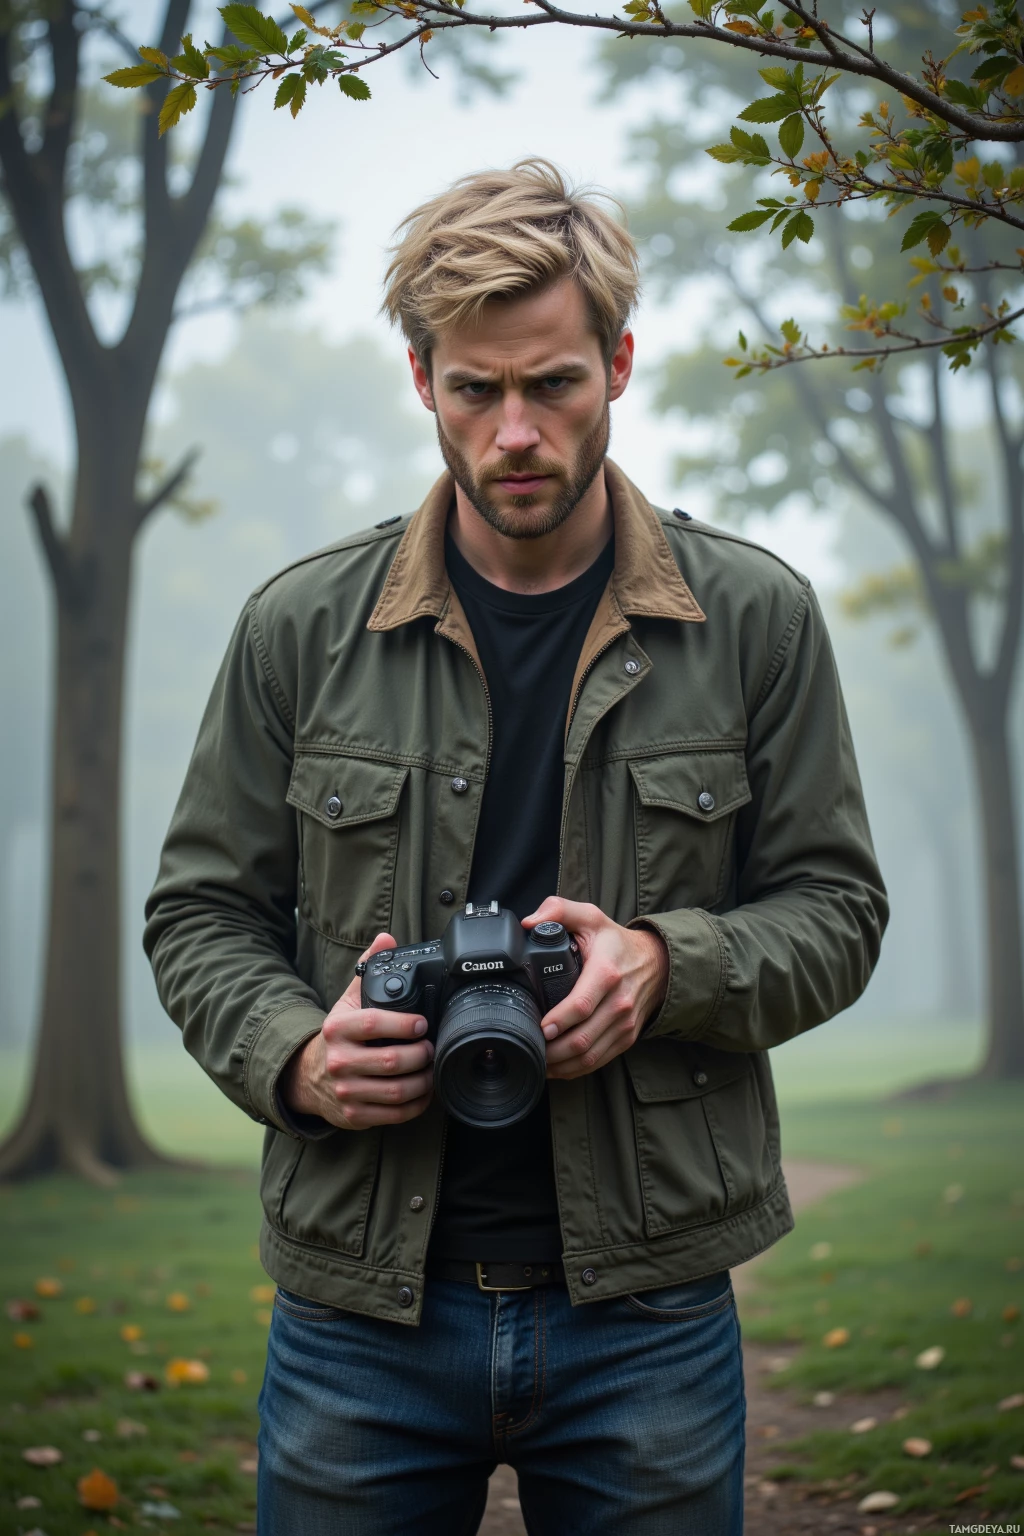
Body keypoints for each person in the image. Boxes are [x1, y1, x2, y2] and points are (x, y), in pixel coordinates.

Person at [144, 159, 888, 1536]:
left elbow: (838, 911)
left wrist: (671, 963)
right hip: (360, 1304)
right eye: (477, 390)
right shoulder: (298, 629)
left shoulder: (758, 621)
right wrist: (294, 1056)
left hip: (649, 1304)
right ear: (422, 378)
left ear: (617, 362)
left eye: (552, 384)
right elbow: (197, 913)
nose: (516, 434)